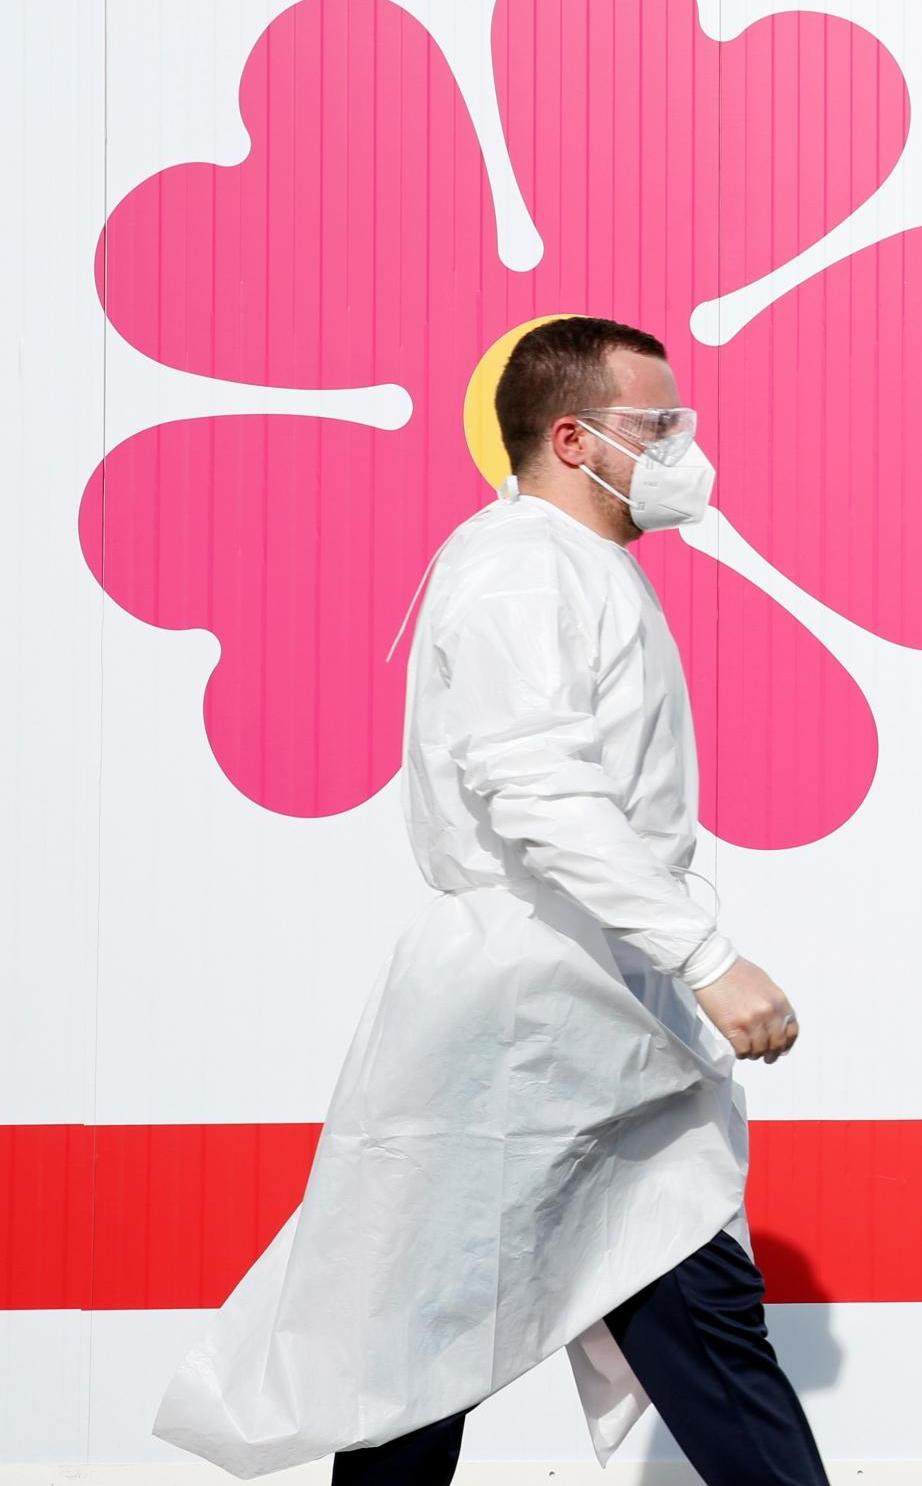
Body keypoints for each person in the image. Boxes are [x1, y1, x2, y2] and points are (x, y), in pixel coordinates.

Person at [151, 317, 831, 1484]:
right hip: (540, 1007)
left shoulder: (564, 567)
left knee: (439, 1337)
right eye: (655, 424)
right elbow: (535, 788)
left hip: (574, 1004)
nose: (681, 447)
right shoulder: (523, 567)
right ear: (571, 438)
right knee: (451, 1337)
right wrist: (708, 956)